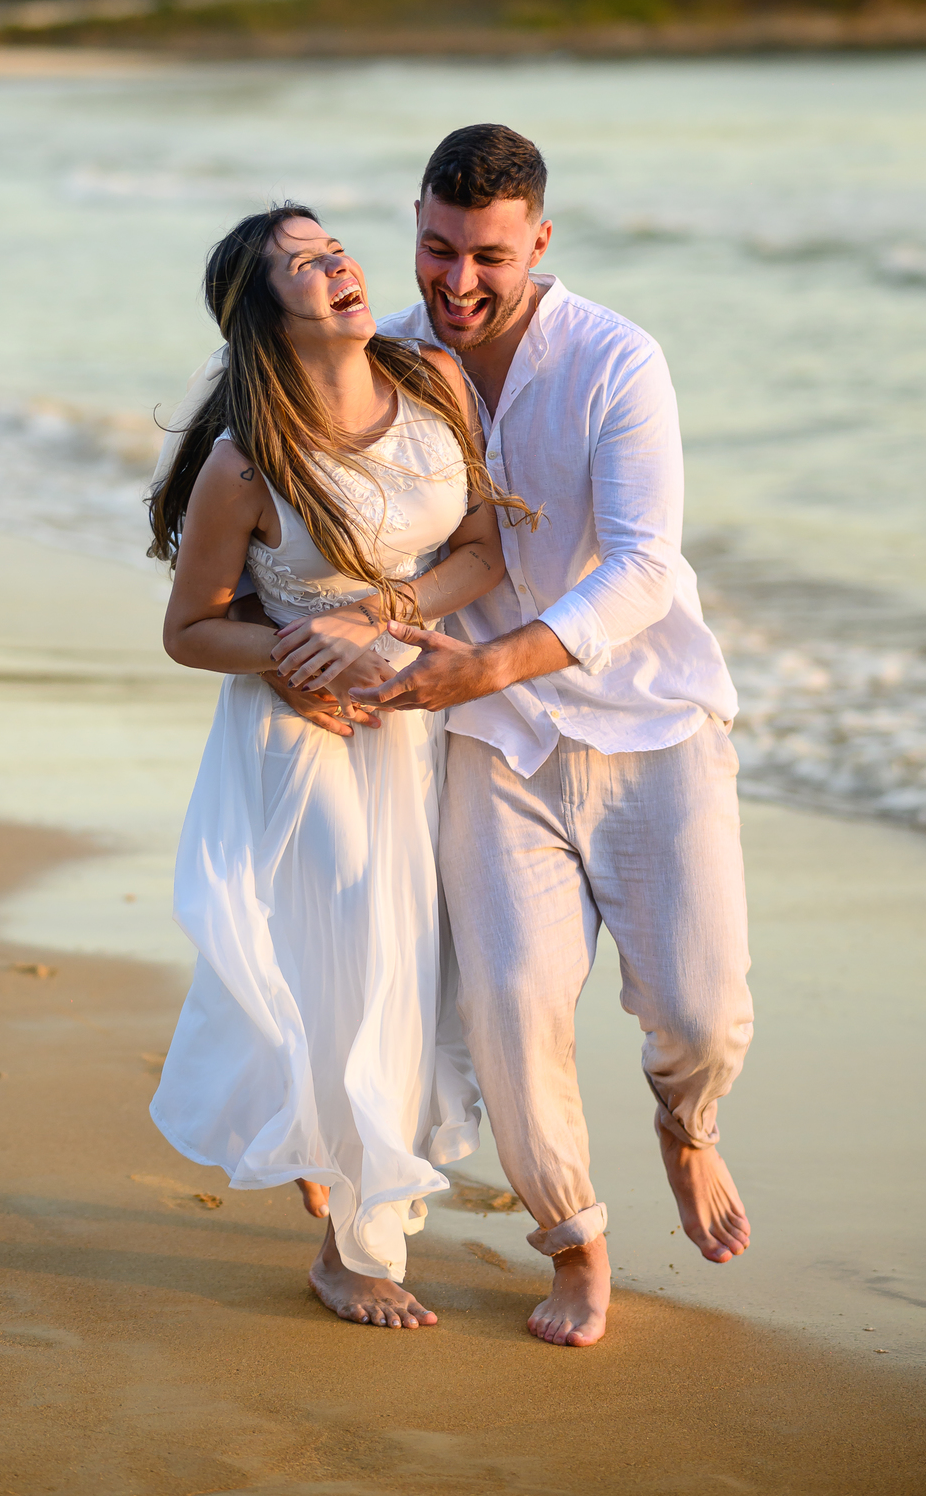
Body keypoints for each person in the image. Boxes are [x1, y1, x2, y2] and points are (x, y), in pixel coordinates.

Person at [346, 123, 755, 1348]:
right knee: (517, 1007)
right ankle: (576, 1240)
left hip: (649, 727)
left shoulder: (619, 360)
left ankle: (687, 1129)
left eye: (486, 257)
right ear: (414, 227)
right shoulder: (394, 362)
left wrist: (489, 655)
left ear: (540, 241)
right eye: (434, 250)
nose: (456, 283)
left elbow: (641, 568)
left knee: (704, 1013)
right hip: (492, 741)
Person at [146, 201, 536, 1330]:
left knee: (414, 960)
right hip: (305, 732)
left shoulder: (434, 385)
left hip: (415, 714)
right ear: (269, 315)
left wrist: (383, 611)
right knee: (359, 948)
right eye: (305, 265)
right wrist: (288, 653)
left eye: (336, 249)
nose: (339, 268)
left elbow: (480, 551)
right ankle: (350, 1248)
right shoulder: (247, 463)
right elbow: (188, 629)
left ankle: (338, 1154)